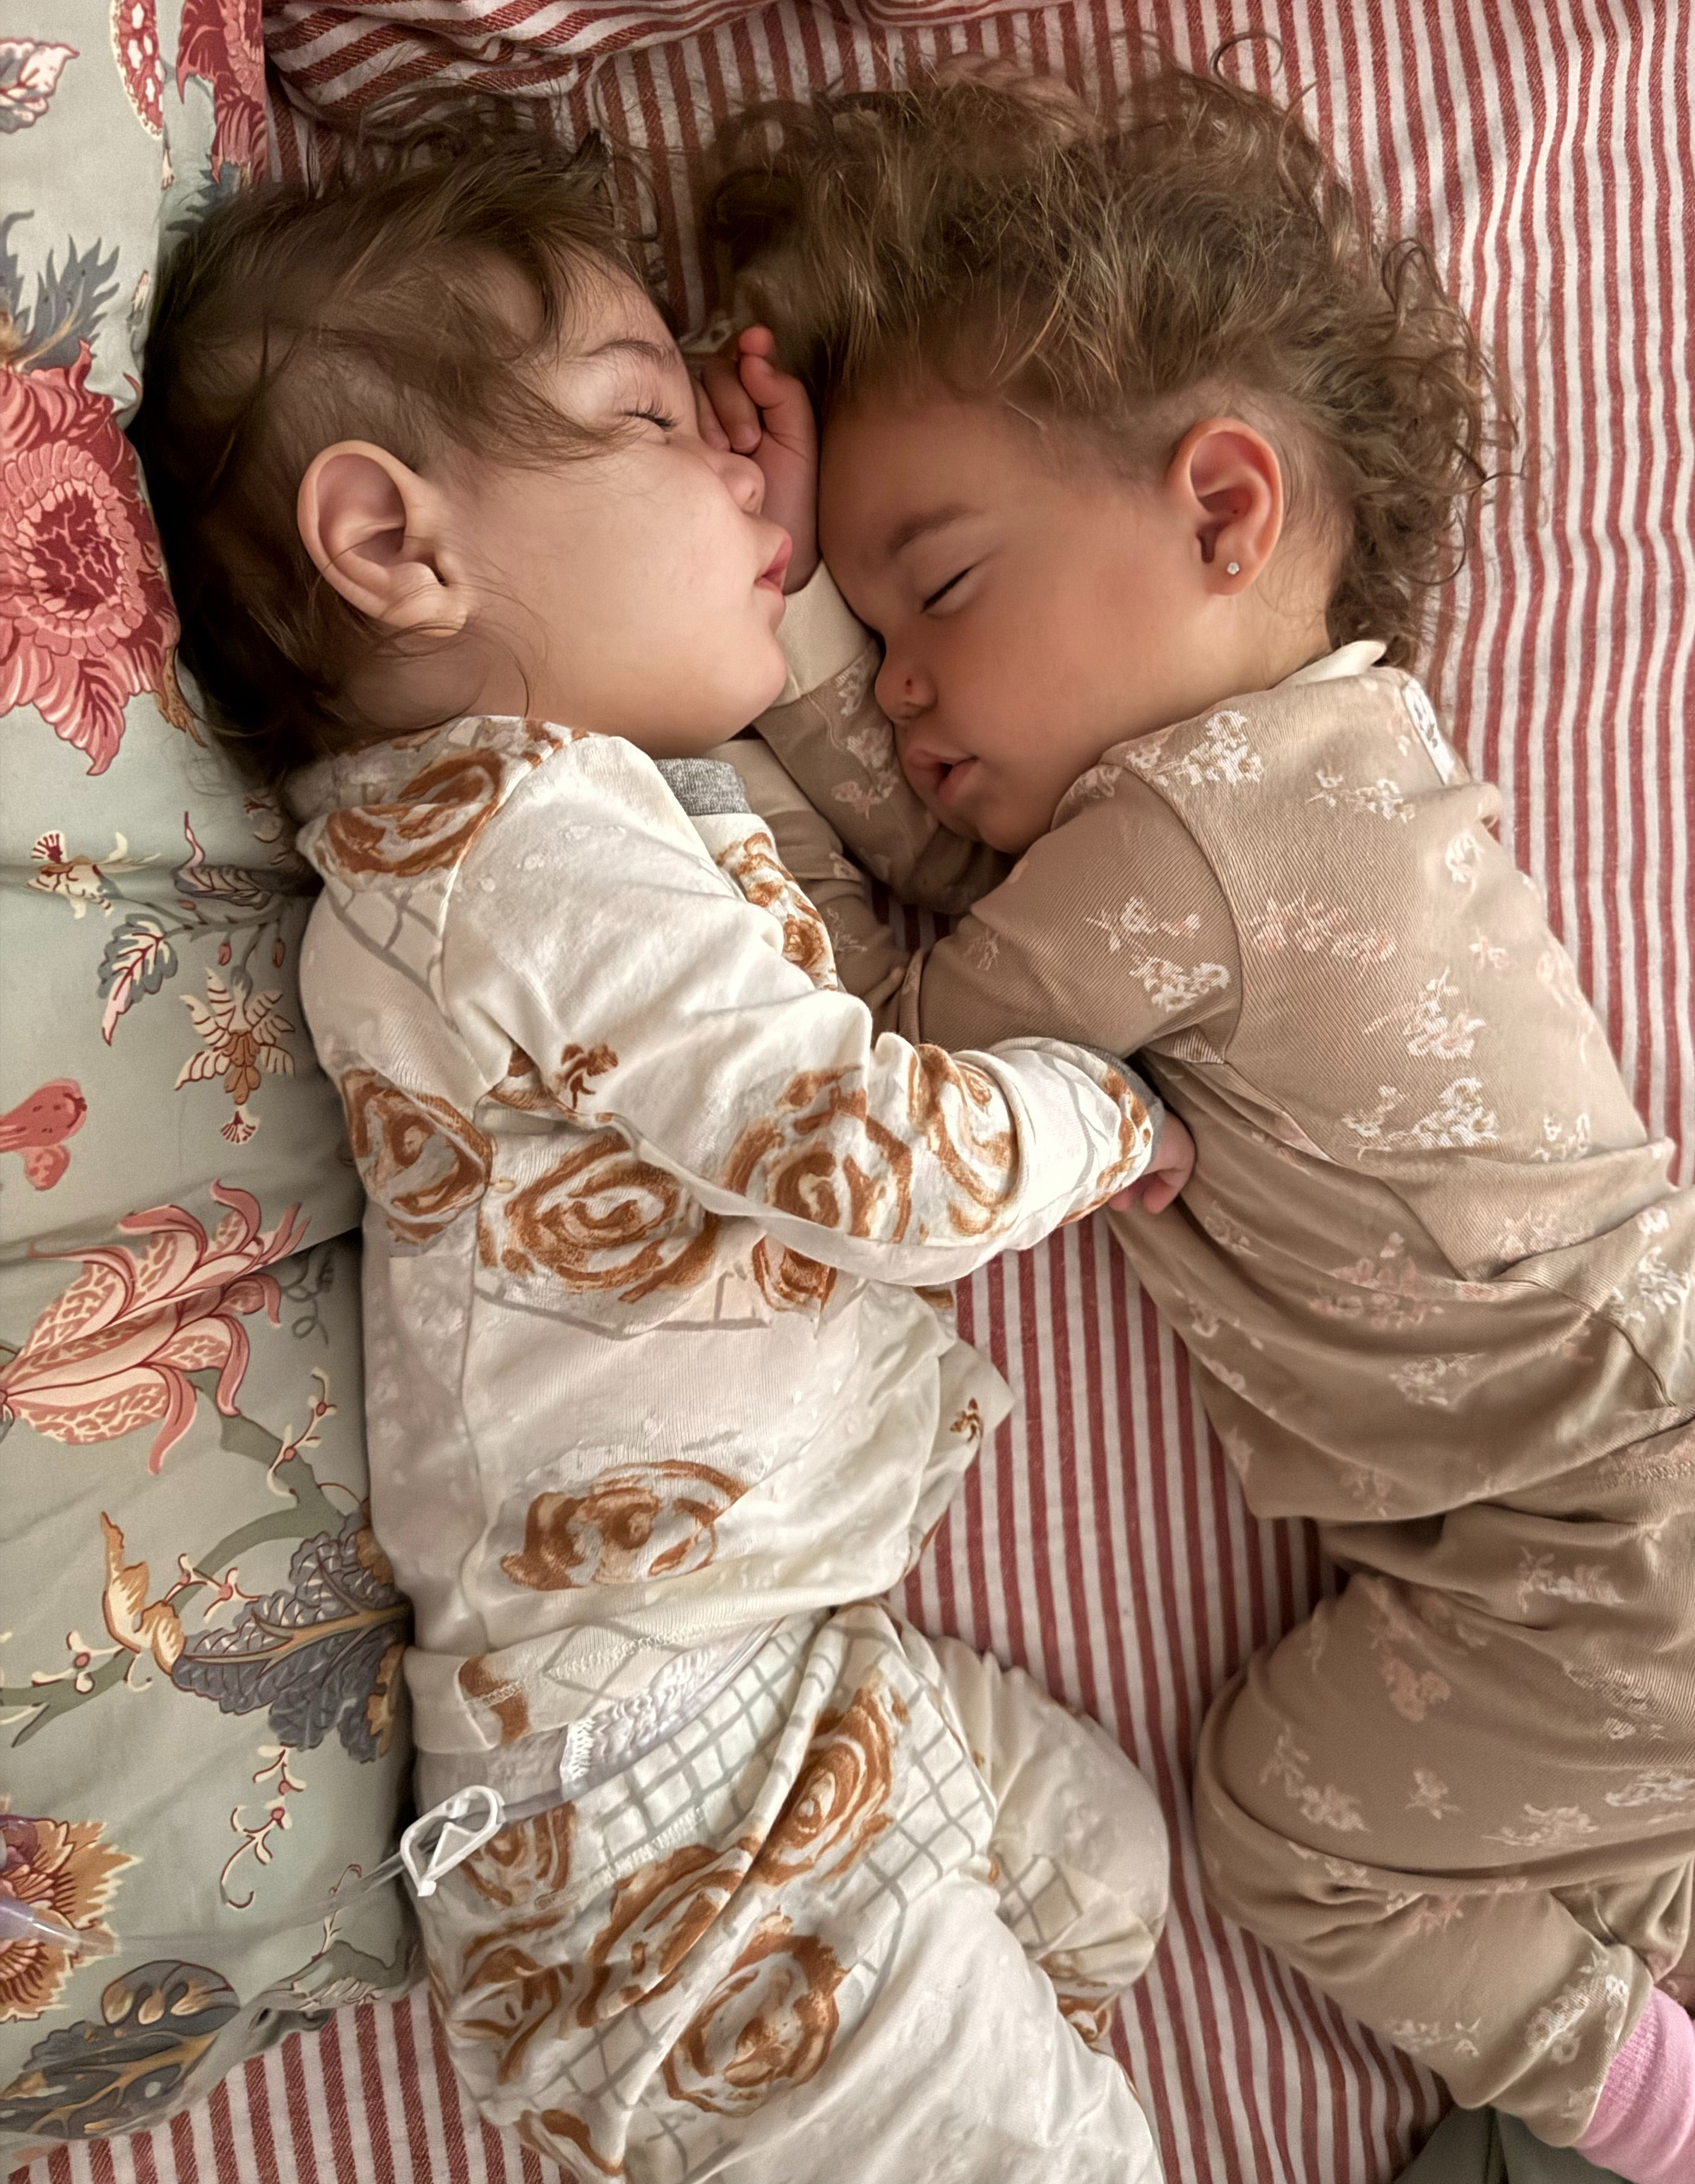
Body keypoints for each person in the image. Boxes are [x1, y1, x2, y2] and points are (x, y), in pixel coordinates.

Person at [697, 64, 1695, 2184]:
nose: (901, 690)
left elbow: (902, 1079)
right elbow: (981, 928)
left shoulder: (1198, 842)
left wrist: (736, 656)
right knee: (1662, 1864)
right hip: (1672, 1525)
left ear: (1223, 511)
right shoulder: (1299, 777)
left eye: (937, 592)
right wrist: (814, 611)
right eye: (874, 628)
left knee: (1294, 1837)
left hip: (1617, 1549)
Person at [132, 138, 1182, 2184]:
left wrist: (751, 541)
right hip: (667, 1809)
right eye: (645, 414)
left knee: (1105, 1872)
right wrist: (1103, 1108)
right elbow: (873, 1157)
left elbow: (788, 779)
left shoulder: (547, 824)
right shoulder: (514, 853)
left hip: (746, 1725)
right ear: (396, 545)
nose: (729, 465)